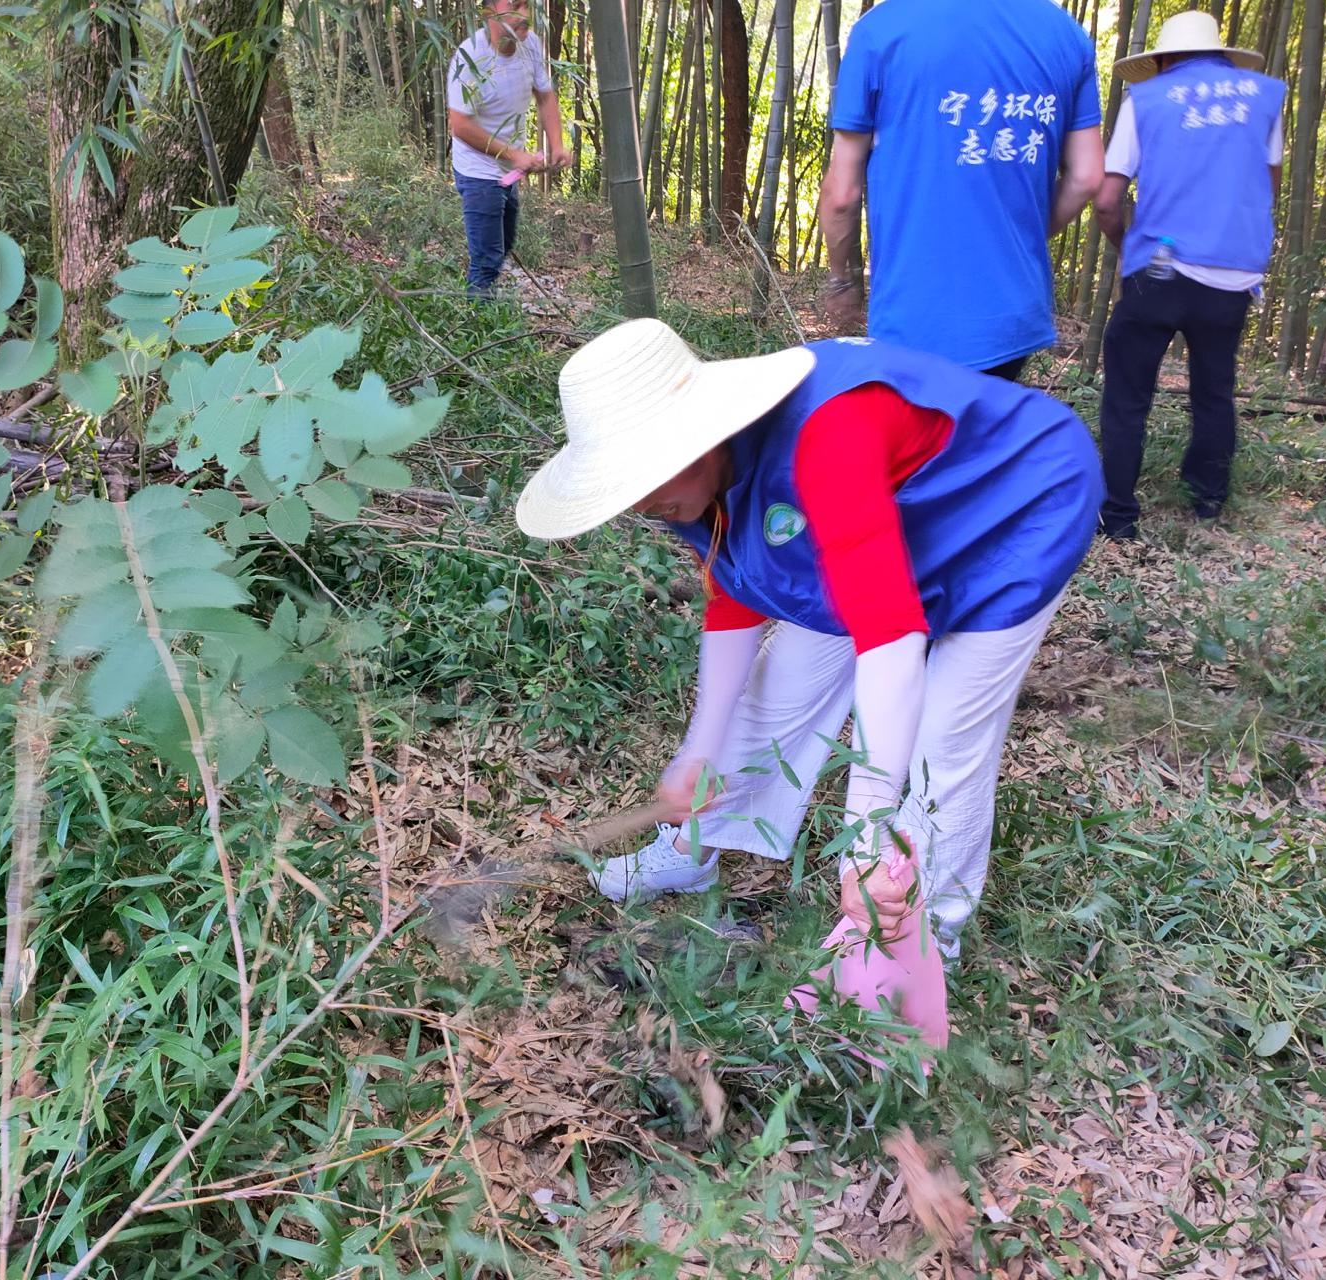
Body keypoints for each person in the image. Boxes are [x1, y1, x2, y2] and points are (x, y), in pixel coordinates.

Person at [515, 319, 1102, 1033]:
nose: (639, 506)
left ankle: (910, 933)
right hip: (892, 520)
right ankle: (694, 847)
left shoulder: (829, 438)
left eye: (642, 481)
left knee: (943, 740)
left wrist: (865, 838)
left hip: (1018, 502)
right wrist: (697, 750)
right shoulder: (688, 480)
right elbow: (734, 593)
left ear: (698, 434)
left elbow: (888, 645)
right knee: (778, 689)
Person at [817, 0, 1105, 379]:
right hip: (1012, 316)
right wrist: (1020, 233)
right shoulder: (1066, 33)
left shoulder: (882, 28)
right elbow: (1087, 175)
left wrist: (842, 282)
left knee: (923, 435)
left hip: (913, 313)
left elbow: (842, 194)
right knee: (983, 430)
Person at [1093, 12, 1285, 539]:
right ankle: (1207, 503)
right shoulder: (1263, 97)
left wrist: (1128, 251)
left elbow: (1108, 201)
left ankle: (1120, 516)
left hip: (1161, 268)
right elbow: (1268, 186)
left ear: (1162, 59)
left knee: (1128, 394)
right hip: (1232, 274)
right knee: (1214, 389)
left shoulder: (1146, 101)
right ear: (1220, 53)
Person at [446, 0, 567, 297]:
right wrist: (514, 155)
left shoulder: (531, 45)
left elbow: (545, 95)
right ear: (489, 14)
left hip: (510, 170)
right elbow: (459, 125)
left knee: (504, 245)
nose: (524, 14)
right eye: (514, 5)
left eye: (526, 4)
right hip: (477, 172)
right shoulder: (470, 57)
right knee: (486, 262)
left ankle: (487, 313)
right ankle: (477, 331)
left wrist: (557, 144)